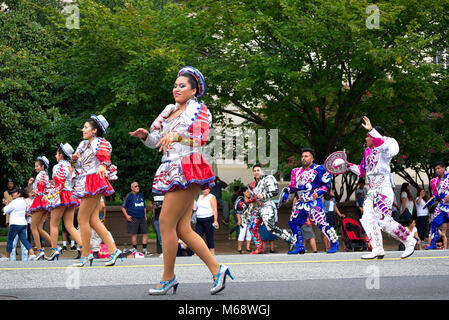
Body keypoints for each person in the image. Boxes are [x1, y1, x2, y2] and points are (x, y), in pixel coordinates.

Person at [129, 66, 233, 295]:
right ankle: (218, 268)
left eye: (182, 85)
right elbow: (157, 140)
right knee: (182, 228)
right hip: (170, 168)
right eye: (175, 85)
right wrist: (145, 135)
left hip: (187, 167)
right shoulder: (169, 111)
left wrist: (176, 135)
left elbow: (201, 138)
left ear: (194, 90)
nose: (176, 89)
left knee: (165, 223)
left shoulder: (200, 110)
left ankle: (168, 278)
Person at [346, 116, 416, 259]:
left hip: (383, 190)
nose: (366, 139)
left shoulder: (386, 146)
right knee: (367, 219)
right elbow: (362, 171)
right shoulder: (367, 152)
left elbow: (382, 145)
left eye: (368, 136)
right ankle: (377, 248)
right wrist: (348, 165)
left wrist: (371, 130)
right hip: (372, 191)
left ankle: (409, 240)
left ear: (374, 136)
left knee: (384, 221)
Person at [71, 114, 122, 267]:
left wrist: (103, 165)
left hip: (93, 180)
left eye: (86, 127)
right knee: (92, 220)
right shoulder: (84, 145)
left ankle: (86, 254)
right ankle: (113, 250)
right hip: (86, 179)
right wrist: (74, 160)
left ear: (94, 130)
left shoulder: (99, 142)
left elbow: (105, 157)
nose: (83, 129)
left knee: (82, 218)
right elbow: (79, 166)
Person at [278, 148, 339, 254]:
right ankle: (299, 246)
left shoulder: (319, 169)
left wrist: (319, 192)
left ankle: (334, 243)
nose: (303, 158)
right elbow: (292, 187)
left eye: (306, 156)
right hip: (300, 203)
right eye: (302, 156)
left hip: (314, 202)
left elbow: (326, 185)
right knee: (293, 223)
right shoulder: (295, 171)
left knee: (321, 223)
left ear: (312, 158)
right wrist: (287, 192)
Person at [45, 143, 83, 261]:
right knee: (70, 225)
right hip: (71, 195)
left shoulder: (58, 167)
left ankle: (54, 250)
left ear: (61, 155)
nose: (56, 155)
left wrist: (50, 195)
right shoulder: (72, 167)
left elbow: (59, 184)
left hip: (61, 195)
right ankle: (84, 249)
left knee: (54, 224)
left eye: (57, 153)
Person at [249, 164, 293, 254]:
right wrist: (247, 202)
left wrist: (264, 196)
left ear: (262, 171)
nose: (256, 172)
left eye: (258, 170)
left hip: (267, 206)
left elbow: (275, 191)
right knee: (252, 227)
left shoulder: (268, 178)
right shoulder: (255, 184)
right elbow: (255, 198)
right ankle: (259, 248)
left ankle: (290, 239)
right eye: (254, 171)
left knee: (271, 228)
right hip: (259, 208)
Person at [1, 189, 38, 261]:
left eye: (14, 193)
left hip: (14, 223)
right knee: (24, 240)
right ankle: (32, 254)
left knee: (10, 240)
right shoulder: (25, 201)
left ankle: (7, 257)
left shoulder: (14, 202)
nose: (12, 194)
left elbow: (5, 210)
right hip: (23, 223)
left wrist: (6, 204)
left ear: (19, 194)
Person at [27, 156, 52, 260]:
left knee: (33, 227)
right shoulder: (44, 175)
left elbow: (41, 190)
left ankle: (40, 251)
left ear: (42, 166)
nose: (35, 168)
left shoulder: (41, 175)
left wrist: (35, 191)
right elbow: (42, 189)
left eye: (37, 166)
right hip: (43, 202)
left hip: (39, 201)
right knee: (38, 228)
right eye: (35, 166)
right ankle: (55, 246)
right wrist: (31, 185)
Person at [425, 161, 449, 250]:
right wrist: (431, 202)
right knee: (434, 223)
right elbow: (435, 195)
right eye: (436, 169)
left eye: (439, 168)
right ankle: (433, 243)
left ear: (443, 168)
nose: (437, 170)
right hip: (441, 206)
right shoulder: (433, 181)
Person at [121, 182, 149, 254]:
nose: (137, 187)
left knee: (145, 233)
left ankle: (144, 250)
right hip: (133, 217)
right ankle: (135, 249)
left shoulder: (141, 195)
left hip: (142, 217)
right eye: (135, 186)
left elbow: (144, 206)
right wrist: (127, 216)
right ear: (132, 188)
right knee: (134, 234)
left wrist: (145, 215)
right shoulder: (129, 196)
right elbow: (123, 207)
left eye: (138, 186)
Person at [194, 187, 219, 255]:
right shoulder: (200, 196)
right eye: (203, 189)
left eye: (205, 189)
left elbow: (214, 209)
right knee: (197, 236)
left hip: (209, 218)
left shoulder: (211, 197)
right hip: (199, 219)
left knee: (209, 236)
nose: (204, 190)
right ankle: (196, 252)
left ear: (209, 189)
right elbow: (197, 206)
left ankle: (212, 251)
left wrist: (215, 220)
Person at [234, 187, 253, 253]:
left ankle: (248, 247)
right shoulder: (240, 201)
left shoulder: (251, 200)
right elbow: (237, 211)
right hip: (243, 219)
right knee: (242, 233)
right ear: (244, 193)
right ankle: (239, 248)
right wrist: (239, 220)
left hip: (249, 219)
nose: (249, 193)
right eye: (247, 192)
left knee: (249, 233)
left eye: (249, 192)